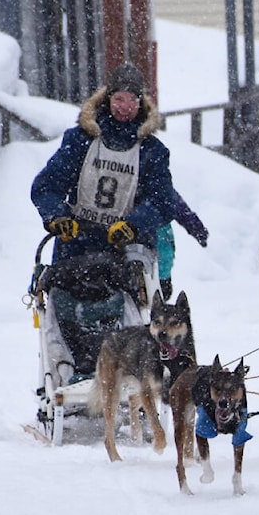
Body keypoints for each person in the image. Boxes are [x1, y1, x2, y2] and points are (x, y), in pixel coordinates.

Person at [31, 63, 181, 382]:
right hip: (76, 242)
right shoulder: (81, 140)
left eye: (131, 100)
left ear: (141, 103)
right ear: (107, 100)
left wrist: (134, 224)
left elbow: (163, 199)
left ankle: (127, 370)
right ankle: (66, 370)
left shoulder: (152, 151)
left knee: (124, 306)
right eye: (118, 100)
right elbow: (46, 186)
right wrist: (57, 215)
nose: (124, 107)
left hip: (121, 247)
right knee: (64, 303)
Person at [156, 193, 209, 300]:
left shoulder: (156, 185)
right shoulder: (157, 187)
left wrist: (196, 227)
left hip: (159, 260)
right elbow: (180, 208)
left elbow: (179, 208)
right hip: (158, 258)